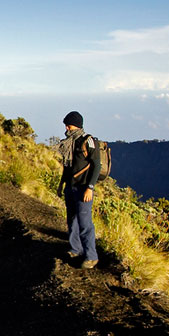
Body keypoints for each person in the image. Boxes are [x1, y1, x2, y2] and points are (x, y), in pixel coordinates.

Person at [57, 111, 101, 269]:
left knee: (85, 223)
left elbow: (97, 166)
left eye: (68, 124)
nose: (66, 127)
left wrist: (90, 188)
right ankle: (75, 249)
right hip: (70, 187)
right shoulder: (69, 143)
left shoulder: (88, 141)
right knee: (72, 220)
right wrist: (62, 184)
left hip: (83, 189)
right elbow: (67, 167)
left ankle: (91, 256)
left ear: (77, 124)